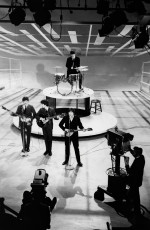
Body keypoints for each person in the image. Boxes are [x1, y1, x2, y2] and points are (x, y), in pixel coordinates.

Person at [124, 146, 145, 226]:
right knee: (136, 195)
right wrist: (130, 150)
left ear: (137, 153)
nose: (134, 152)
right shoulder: (141, 158)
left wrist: (126, 163)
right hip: (137, 181)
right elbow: (135, 155)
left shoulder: (137, 163)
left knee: (130, 195)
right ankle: (136, 210)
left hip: (134, 182)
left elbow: (130, 171)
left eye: (134, 151)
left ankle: (133, 212)